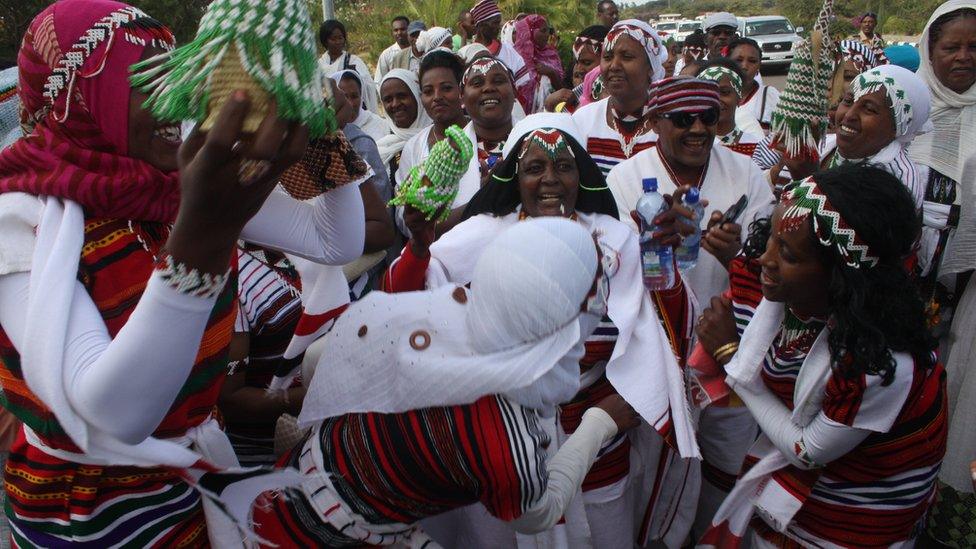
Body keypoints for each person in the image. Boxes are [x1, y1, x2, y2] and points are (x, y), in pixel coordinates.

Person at [0, 0, 366, 545]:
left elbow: (335, 241)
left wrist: (318, 130)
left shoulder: (175, 186)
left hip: (185, 483)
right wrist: (203, 239)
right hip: (86, 515)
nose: (178, 98)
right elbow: (117, 415)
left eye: (179, 73)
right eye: (146, 81)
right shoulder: (19, 218)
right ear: (78, 96)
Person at [386, 113, 697, 548]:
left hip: (598, 437)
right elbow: (408, 305)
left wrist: (664, 262)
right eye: (535, 168)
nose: (551, 180)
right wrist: (419, 246)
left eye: (564, 167)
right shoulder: (480, 234)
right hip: (501, 441)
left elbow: (663, 325)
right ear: (516, 177)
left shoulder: (615, 239)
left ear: (582, 176)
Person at [252, 217, 643, 548]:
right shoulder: (507, 441)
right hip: (327, 537)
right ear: (568, 320)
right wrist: (599, 422)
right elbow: (536, 515)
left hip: (279, 492)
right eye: (596, 282)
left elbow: (321, 358)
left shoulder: (425, 314)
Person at [700, 165, 946, 548]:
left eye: (787, 253)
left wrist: (731, 356)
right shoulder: (780, 290)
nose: (765, 260)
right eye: (771, 240)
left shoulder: (879, 360)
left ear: (841, 277)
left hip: (850, 525)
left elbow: (807, 451)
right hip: (786, 511)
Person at [606, 77, 776, 540]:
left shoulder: (747, 176)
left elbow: (776, 266)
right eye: (684, 119)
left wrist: (735, 256)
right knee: (657, 462)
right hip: (657, 351)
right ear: (657, 122)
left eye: (708, 118)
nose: (699, 129)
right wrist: (656, 240)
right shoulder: (625, 179)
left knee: (726, 460)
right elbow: (611, 267)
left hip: (732, 350)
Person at [909, 4, 976, 546]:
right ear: (930, 50)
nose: (963, 56)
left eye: (974, 47)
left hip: (971, 297)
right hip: (909, 295)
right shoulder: (910, 112)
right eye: (951, 46)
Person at [573, 20, 668, 177]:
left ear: (651, 67)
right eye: (608, 57)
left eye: (627, 57)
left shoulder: (671, 123)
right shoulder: (583, 120)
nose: (614, 65)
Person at [394, 51, 469, 222]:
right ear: (421, 97)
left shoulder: (479, 134)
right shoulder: (414, 147)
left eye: (446, 88)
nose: (437, 97)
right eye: (428, 91)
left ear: (461, 90)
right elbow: (402, 210)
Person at [470, 0, 531, 112]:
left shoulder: (509, 52)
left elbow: (523, 87)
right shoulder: (468, 54)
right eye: (495, 23)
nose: (499, 27)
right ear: (482, 26)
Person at [697, 59, 764, 157]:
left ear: (739, 98)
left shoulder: (755, 147)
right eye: (709, 92)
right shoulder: (691, 146)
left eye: (724, 92)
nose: (717, 99)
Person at [377, 69, 433, 177]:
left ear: (417, 96)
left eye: (402, 96)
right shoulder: (383, 146)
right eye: (388, 100)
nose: (395, 104)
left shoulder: (437, 135)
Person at [513, 14, 564, 113]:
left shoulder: (551, 54)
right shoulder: (516, 57)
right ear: (530, 32)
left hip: (547, 115)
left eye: (548, 31)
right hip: (519, 115)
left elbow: (561, 90)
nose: (547, 35)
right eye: (543, 31)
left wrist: (551, 73)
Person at [728, 37, 780, 134]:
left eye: (752, 61)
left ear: (759, 66)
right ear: (728, 63)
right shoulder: (716, 97)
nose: (744, 66)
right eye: (738, 60)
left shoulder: (771, 96)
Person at [331, 69, 390, 142]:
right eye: (344, 97)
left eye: (354, 96)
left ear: (361, 96)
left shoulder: (380, 125)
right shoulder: (326, 130)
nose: (350, 104)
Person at [318, 19, 372, 86]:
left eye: (340, 38)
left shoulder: (353, 62)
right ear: (325, 41)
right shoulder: (319, 66)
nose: (338, 42)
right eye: (333, 39)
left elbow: (368, 86)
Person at [374, 16, 411, 85]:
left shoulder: (416, 51)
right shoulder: (387, 54)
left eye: (402, 29)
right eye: (396, 30)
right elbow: (379, 81)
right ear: (392, 32)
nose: (399, 33)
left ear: (409, 30)